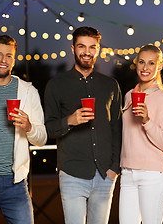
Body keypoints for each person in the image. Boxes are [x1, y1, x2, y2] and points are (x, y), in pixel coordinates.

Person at [45, 26, 122, 224]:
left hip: (105, 174)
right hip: (72, 173)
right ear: (73, 49)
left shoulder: (110, 85)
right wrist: (70, 121)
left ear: (98, 50)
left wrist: (114, 167)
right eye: (81, 46)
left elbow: (117, 128)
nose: (86, 52)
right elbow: (48, 128)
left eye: (92, 47)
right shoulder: (56, 84)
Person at [0, 35, 47, 224]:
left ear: (14, 60)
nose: (3, 60)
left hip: (15, 182)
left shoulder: (28, 91)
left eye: (9, 56)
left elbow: (42, 139)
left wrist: (29, 127)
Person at [119, 45, 163, 224]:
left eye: (151, 63)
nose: (145, 67)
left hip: (153, 175)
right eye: (141, 62)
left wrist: (147, 120)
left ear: (159, 66)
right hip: (127, 173)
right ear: (136, 63)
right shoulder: (129, 96)